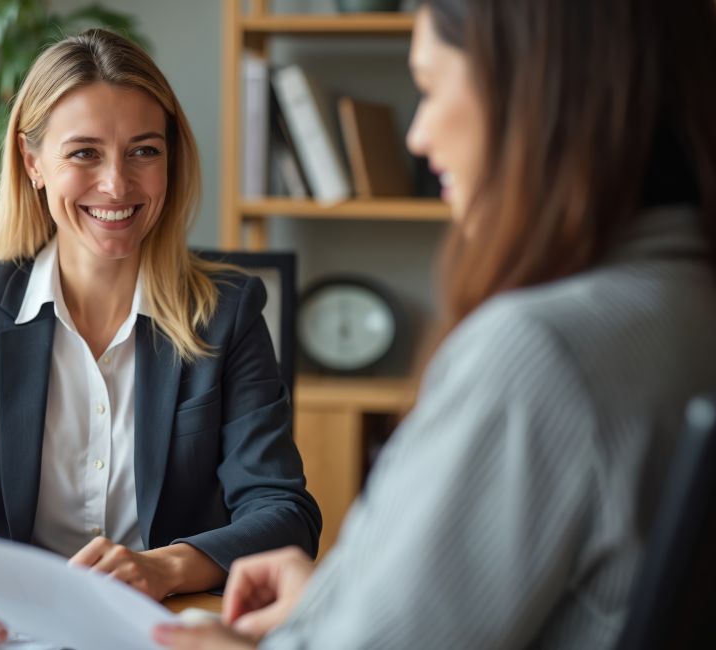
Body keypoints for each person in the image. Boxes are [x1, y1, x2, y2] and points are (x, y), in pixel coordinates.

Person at [154, 0, 716, 648]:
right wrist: (340, 593)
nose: (417, 136)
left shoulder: (538, 355)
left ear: (535, 92)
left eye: (429, 87)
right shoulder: (686, 304)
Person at [0, 29, 321, 648]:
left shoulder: (225, 312)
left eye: (143, 151)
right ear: (33, 162)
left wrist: (164, 565)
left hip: (164, 631)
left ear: (170, 160)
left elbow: (284, 515)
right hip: (1, 632)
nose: (117, 185)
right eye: (85, 153)